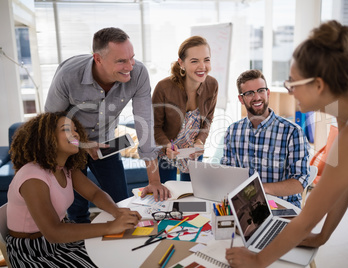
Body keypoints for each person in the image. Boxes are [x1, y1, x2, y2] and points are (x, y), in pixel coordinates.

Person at [225, 20, 348, 268]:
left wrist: (257, 260)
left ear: (318, 85)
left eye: (293, 83)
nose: (289, 91)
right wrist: (323, 235)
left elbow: (308, 217)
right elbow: (347, 181)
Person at [45, 27, 169, 223]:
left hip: (106, 143)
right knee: (76, 208)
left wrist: (154, 181)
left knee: (121, 200)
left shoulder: (138, 74)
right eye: (121, 61)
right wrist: (82, 146)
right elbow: (50, 124)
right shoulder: (68, 76)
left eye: (131, 58)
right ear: (98, 58)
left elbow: (144, 122)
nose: (130, 66)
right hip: (72, 145)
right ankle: (81, 248)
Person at [6, 112, 141, 268]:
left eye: (75, 129)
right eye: (66, 129)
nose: (75, 133)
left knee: (118, 252)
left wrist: (116, 211)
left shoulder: (66, 168)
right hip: (33, 251)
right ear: (46, 137)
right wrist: (110, 226)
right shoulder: (32, 177)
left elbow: (95, 193)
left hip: (61, 239)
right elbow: (53, 232)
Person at [221, 69, 310, 208]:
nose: (257, 97)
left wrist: (259, 189)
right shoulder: (233, 131)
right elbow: (228, 172)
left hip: (282, 207)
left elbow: (300, 182)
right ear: (241, 99)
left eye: (260, 90)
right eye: (249, 93)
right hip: (246, 207)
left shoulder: (292, 132)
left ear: (267, 93)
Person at [152, 36, 218, 182]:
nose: (202, 66)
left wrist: (200, 141)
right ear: (181, 63)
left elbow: (208, 119)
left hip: (193, 151)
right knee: (167, 195)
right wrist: (167, 146)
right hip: (167, 152)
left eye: (206, 60)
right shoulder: (163, 88)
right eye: (194, 61)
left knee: (191, 196)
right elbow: (155, 126)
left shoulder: (212, 85)